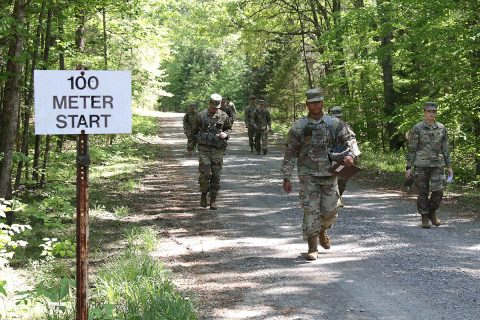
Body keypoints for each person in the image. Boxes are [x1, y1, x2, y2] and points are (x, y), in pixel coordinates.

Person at [282, 88, 356, 261]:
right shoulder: (299, 127)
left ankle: (323, 229)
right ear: (307, 104)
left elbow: (349, 141)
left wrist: (350, 156)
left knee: (331, 209)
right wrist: (286, 177)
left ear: (323, 103)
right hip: (308, 175)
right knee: (310, 210)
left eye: (319, 102)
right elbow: (290, 153)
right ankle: (312, 247)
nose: (316, 105)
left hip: (330, 173)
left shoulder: (334, 124)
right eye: (312, 102)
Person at [405, 102, 452, 228]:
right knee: (422, 192)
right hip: (421, 164)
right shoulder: (417, 128)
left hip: (437, 164)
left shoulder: (441, 128)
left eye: (434, 111)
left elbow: (445, 148)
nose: (432, 114)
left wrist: (449, 166)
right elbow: (411, 149)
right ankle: (424, 217)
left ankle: (432, 212)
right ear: (424, 112)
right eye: (429, 111)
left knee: (439, 191)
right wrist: (408, 167)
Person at [192, 93, 232, 210]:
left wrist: (226, 134)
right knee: (205, 173)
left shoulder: (223, 116)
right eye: (213, 106)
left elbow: (228, 128)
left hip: (218, 149)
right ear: (209, 104)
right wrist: (194, 144)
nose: (215, 109)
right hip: (204, 148)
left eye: (217, 107)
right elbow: (194, 131)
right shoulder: (201, 116)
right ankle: (204, 195)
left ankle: (213, 199)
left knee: (216, 175)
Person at [330, 106, 361, 204]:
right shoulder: (326, 126)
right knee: (329, 178)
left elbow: (352, 140)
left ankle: (338, 197)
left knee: (342, 178)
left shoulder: (346, 126)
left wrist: (355, 154)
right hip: (329, 156)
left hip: (343, 157)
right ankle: (331, 199)